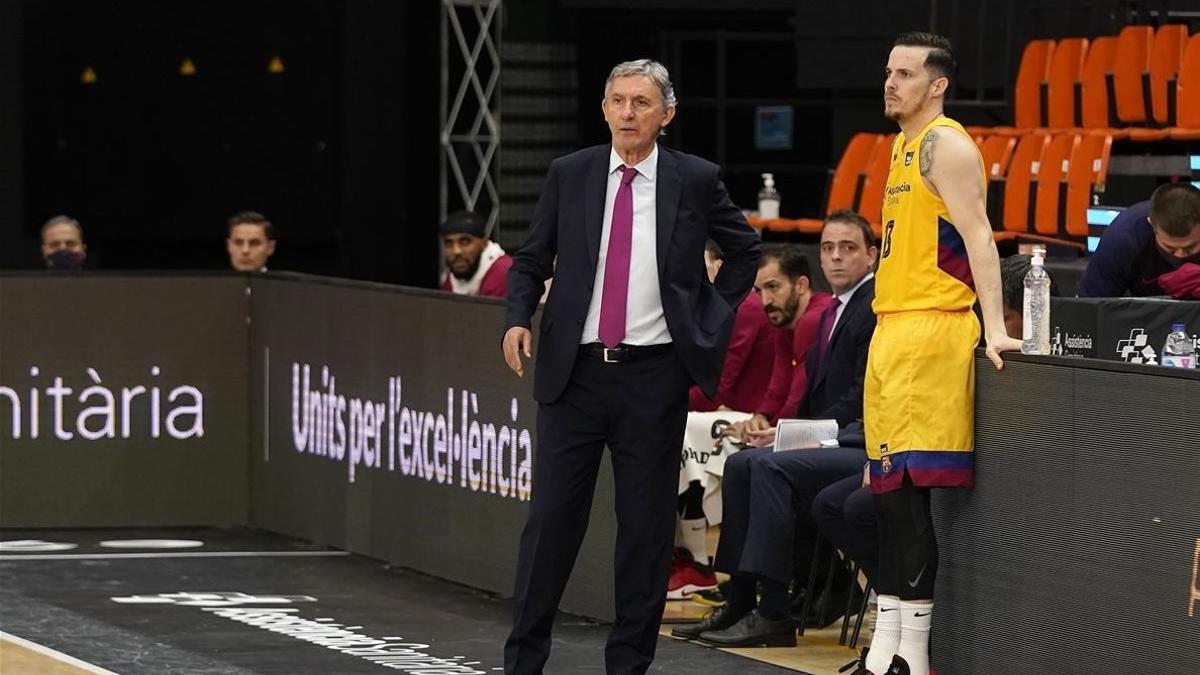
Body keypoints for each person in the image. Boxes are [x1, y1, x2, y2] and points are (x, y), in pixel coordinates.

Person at [500, 59, 762, 675]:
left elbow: (746, 249)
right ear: (604, 107)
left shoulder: (694, 179)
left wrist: (708, 314)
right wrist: (516, 318)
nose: (626, 113)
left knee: (644, 533)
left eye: (641, 102)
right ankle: (522, 663)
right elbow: (530, 257)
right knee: (551, 525)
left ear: (666, 115)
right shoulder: (572, 173)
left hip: (654, 376)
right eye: (617, 100)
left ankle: (628, 666)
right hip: (574, 375)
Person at [849, 32, 1023, 675]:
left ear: (937, 84)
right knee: (888, 495)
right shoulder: (901, 145)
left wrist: (993, 324)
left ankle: (914, 657)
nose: (891, 82)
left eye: (905, 73)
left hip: (932, 329)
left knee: (912, 497)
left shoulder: (946, 144)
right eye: (888, 71)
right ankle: (886, 646)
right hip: (891, 329)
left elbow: (979, 235)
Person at [813, 254, 1060, 650]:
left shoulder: (988, 349)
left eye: (1002, 315)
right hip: (905, 438)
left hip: (952, 458)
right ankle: (891, 620)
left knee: (871, 509)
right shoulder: (951, 343)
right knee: (836, 504)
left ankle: (913, 632)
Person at [670, 211, 878, 648]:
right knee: (744, 463)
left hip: (863, 442)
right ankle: (742, 598)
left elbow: (861, 397)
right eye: (827, 248)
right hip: (831, 436)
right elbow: (806, 393)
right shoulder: (833, 311)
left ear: (872, 256)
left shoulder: (874, 306)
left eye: (849, 248)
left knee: (768, 468)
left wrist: (801, 434)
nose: (836, 257)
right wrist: (784, 431)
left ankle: (773, 612)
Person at [669, 239, 774, 601]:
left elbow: (719, 380)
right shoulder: (703, 306)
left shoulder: (742, 307)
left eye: (701, 265)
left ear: (719, 265)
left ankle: (698, 562)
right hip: (719, 411)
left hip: (748, 415)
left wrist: (664, 401)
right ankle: (687, 556)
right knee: (670, 431)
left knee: (675, 431)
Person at [1078, 182, 1200, 298]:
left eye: (1190, 247)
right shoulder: (1122, 239)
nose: (1180, 255)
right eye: (1170, 249)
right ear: (1151, 224)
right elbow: (1089, 306)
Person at [440, 210, 513, 298]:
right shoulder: (451, 279)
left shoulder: (505, 274)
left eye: (465, 242)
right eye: (449, 244)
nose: (456, 251)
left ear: (484, 243)